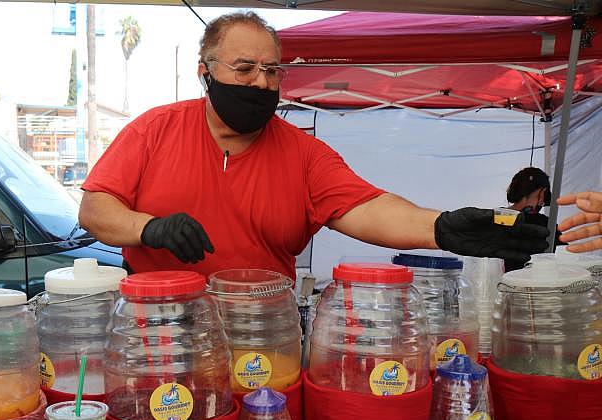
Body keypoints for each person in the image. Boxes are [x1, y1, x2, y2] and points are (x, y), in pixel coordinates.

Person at [78, 12, 548, 279]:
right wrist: (150, 228)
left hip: (262, 334)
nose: (261, 84)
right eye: (244, 70)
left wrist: (443, 228)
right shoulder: (154, 130)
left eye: (272, 71)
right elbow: (95, 209)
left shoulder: (303, 154)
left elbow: (367, 209)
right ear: (207, 73)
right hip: (160, 330)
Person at [502, 167, 556, 271]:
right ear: (542, 192)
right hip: (538, 283)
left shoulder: (497, 217)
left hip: (503, 284)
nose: (542, 203)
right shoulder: (545, 223)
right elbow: (565, 254)